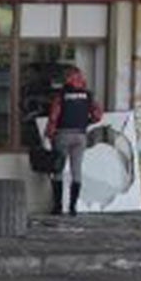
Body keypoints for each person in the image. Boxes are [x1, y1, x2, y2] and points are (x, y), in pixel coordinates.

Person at [45, 67, 103, 216]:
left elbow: (54, 116)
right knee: (76, 171)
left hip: (62, 134)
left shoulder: (61, 95)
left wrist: (49, 133)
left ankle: (58, 207)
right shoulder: (87, 95)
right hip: (80, 136)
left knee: (58, 169)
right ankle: (73, 207)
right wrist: (86, 122)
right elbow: (98, 115)